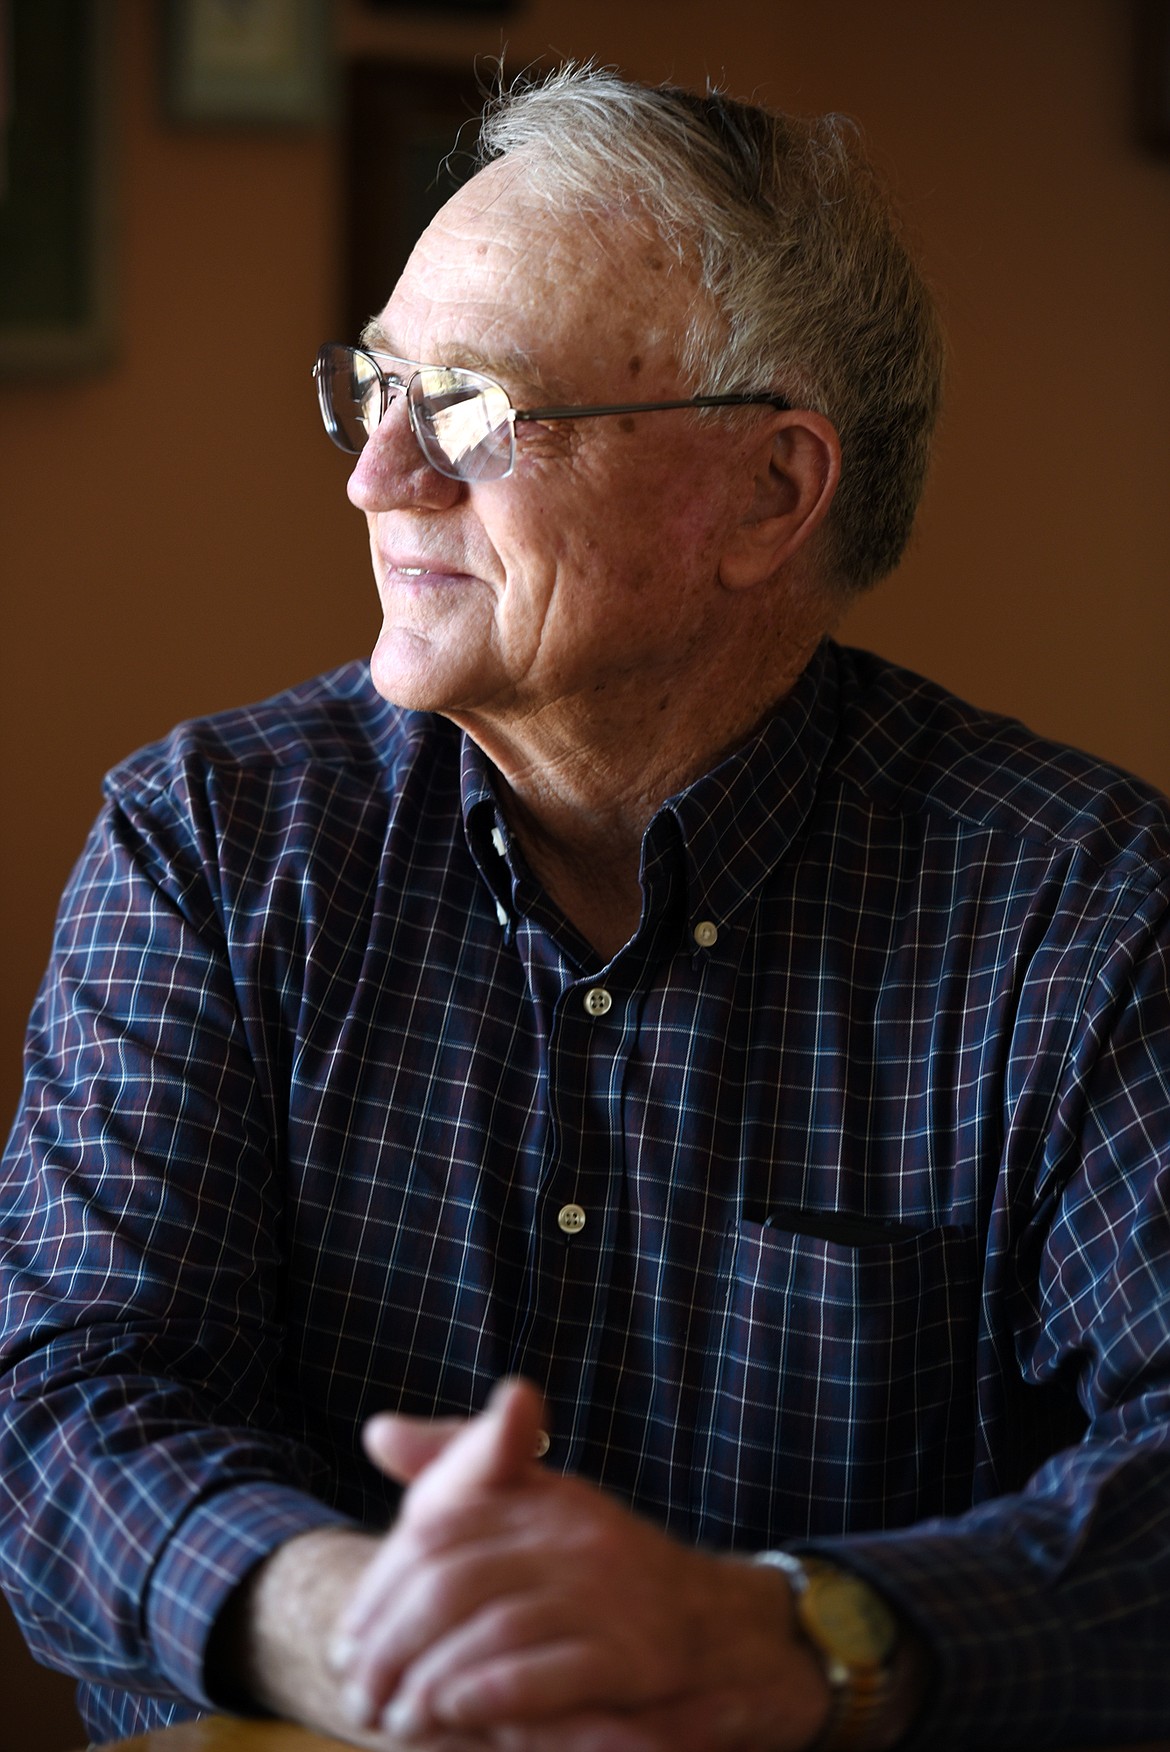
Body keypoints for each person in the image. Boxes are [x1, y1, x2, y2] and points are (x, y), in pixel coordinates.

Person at [2, 63, 1169, 1752]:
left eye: (471, 408)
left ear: (769, 495)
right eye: (375, 388)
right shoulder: (214, 839)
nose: (377, 477)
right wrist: (347, 1624)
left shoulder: (1076, 908)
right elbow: (64, 1390)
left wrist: (792, 1635)